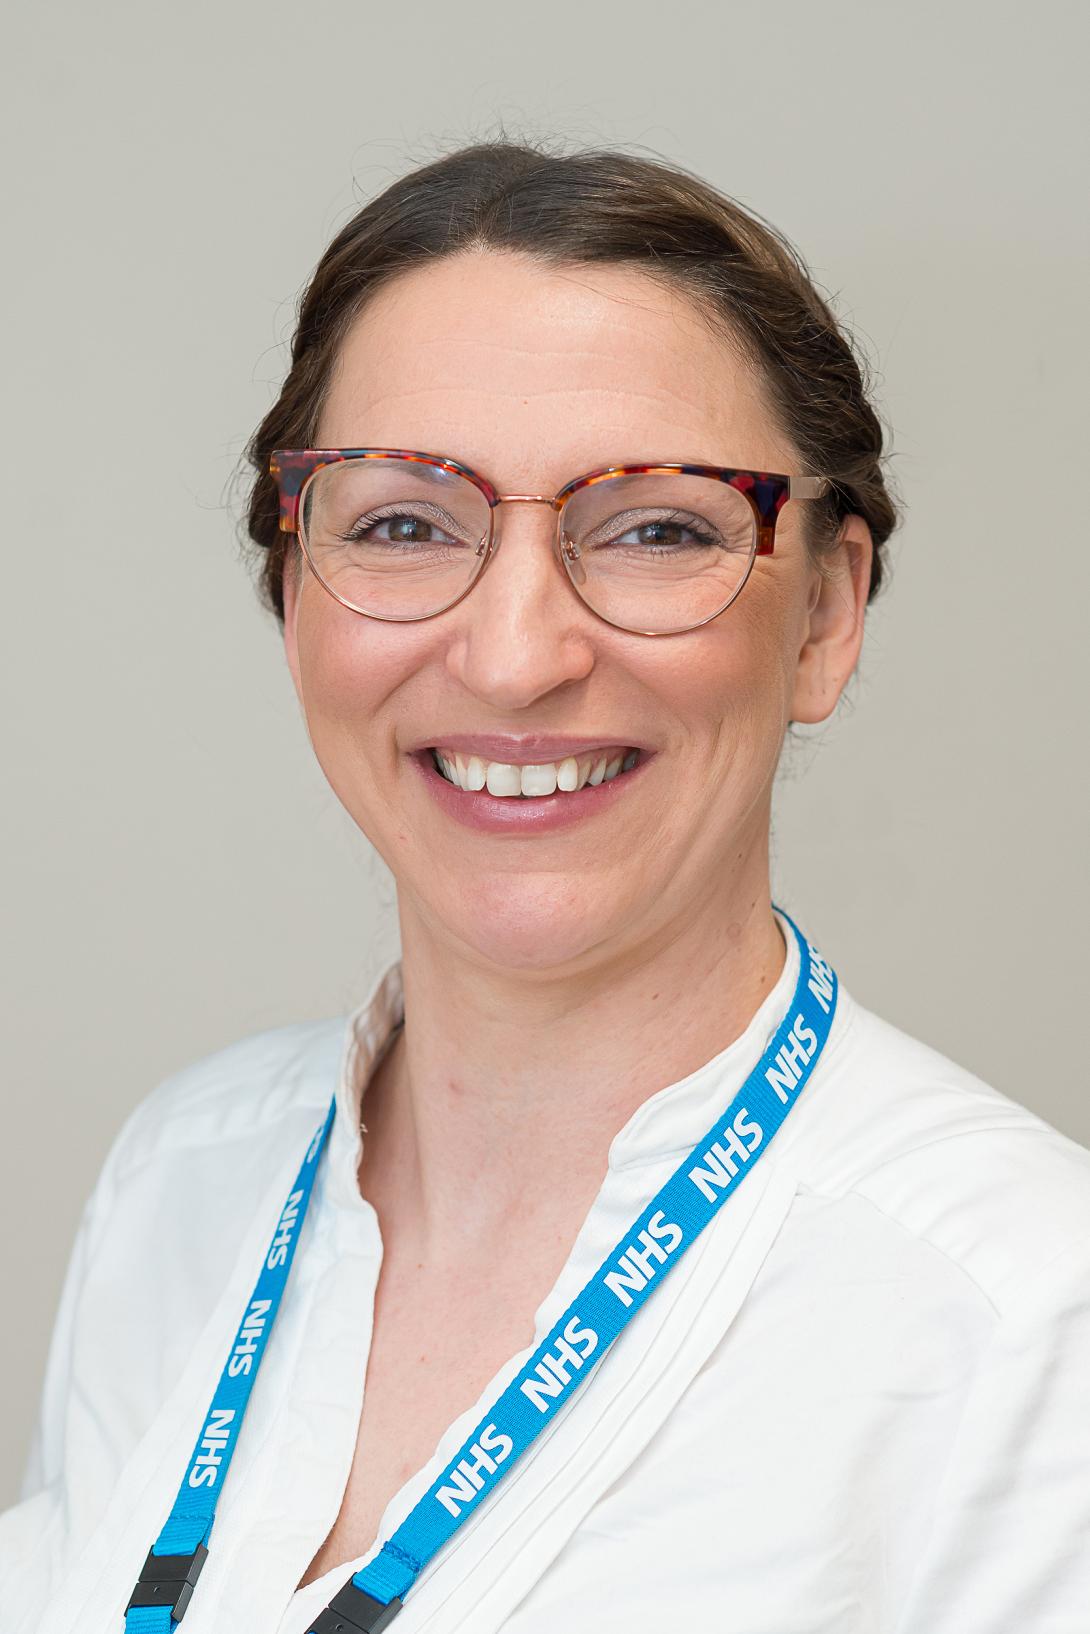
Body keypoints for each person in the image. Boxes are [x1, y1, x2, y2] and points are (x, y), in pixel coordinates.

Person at [3, 137, 1088, 1634]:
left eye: (653, 528)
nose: (516, 654)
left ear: (827, 615)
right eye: (400, 522)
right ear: (295, 590)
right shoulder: (179, 1181)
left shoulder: (1021, 1323)